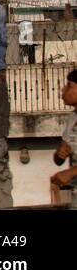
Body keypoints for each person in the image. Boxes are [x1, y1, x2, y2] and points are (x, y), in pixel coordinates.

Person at [51, 68, 77, 198]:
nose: (63, 90)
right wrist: (60, 154)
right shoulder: (72, 118)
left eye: (69, 86)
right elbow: (59, 160)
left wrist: (71, 173)